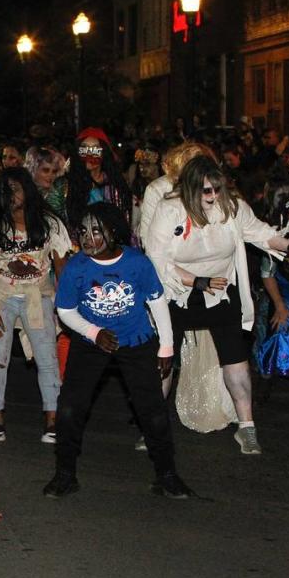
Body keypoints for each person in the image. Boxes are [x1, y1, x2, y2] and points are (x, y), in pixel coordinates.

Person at [145, 156, 289, 455]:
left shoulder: (232, 207)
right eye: (206, 191)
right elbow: (157, 258)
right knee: (163, 359)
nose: (213, 196)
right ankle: (152, 427)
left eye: (217, 188)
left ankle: (247, 428)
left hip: (220, 291)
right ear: (190, 188)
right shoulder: (169, 209)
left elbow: (262, 233)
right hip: (176, 292)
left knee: (236, 358)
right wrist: (194, 281)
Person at [46, 202, 193, 499]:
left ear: (113, 232)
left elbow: (157, 302)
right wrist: (94, 332)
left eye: (96, 231)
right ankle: (65, 474)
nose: (88, 238)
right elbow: (65, 310)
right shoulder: (77, 266)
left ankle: (167, 475)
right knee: (70, 408)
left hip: (136, 340)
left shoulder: (137, 262)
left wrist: (166, 347)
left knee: (152, 411)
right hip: (91, 343)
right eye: (83, 231)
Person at [0, 167, 70, 445]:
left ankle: (53, 421)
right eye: (5, 191)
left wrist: (63, 309)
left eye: (15, 189)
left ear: (27, 190)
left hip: (37, 296)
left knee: (47, 359)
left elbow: (61, 269)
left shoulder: (49, 224)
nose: (11, 196)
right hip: (4, 297)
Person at [256, 193, 289, 380]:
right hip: (287, 297)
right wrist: (279, 305)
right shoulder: (278, 241)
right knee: (280, 326)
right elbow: (267, 274)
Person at [66, 127, 132, 233]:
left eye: (95, 150)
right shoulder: (65, 185)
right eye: (84, 149)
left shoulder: (115, 186)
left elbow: (124, 223)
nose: (90, 155)